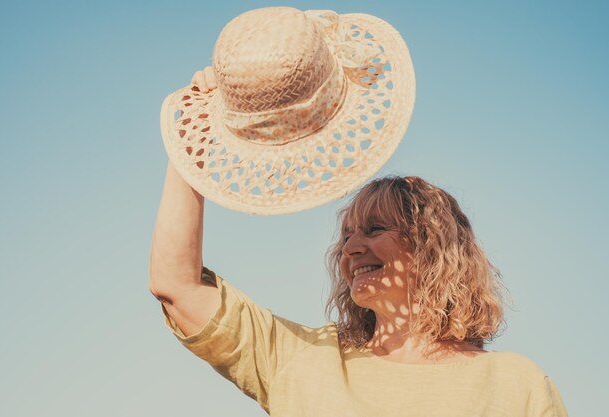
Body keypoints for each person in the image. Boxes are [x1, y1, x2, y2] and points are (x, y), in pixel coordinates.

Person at [150, 7, 569, 416]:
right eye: (347, 234)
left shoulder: (516, 385)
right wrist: (196, 132)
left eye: (373, 228)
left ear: (432, 248)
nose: (350, 247)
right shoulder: (303, 361)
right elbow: (177, 286)